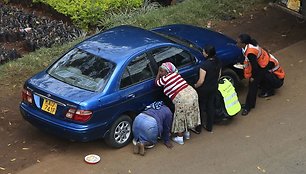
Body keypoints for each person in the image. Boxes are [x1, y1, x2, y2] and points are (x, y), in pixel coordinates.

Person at [155, 62, 201, 145]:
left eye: (162, 71)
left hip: (182, 98)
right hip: (192, 93)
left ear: (167, 72)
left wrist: (158, 73)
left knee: (180, 116)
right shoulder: (176, 74)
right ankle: (187, 133)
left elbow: (156, 83)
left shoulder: (164, 79)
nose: (161, 73)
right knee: (189, 113)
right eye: (160, 71)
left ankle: (180, 138)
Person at [236, 34, 270, 116]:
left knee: (252, 88)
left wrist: (252, 77)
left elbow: (255, 67)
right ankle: (251, 104)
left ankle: (248, 107)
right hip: (261, 63)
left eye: (238, 42)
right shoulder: (248, 47)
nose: (236, 44)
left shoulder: (250, 52)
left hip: (261, 67)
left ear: (244, 44)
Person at [194, 45, 222, 132]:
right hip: (213, 87)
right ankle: (209, 126)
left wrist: (195, 86)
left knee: (201, 106)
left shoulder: (204, 65)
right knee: (211, 105)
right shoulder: (218, 61)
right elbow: (219, 74)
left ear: (207, 54)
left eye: (203, 51)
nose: (202, 53)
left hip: (204, 89)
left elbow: (201, 80)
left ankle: (199, 127)